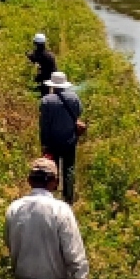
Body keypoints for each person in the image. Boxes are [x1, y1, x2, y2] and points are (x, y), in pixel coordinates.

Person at [38, 71, 85, 203]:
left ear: (52, 85)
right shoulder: (74, 98)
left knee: (52, 169)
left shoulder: (46, 101)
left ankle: (51, 195)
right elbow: (79, 113)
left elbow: (44, 125)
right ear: (65, 85)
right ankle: (68, 197)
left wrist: (44, 143)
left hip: (52, 142)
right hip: (70, 140)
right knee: (69, 169)